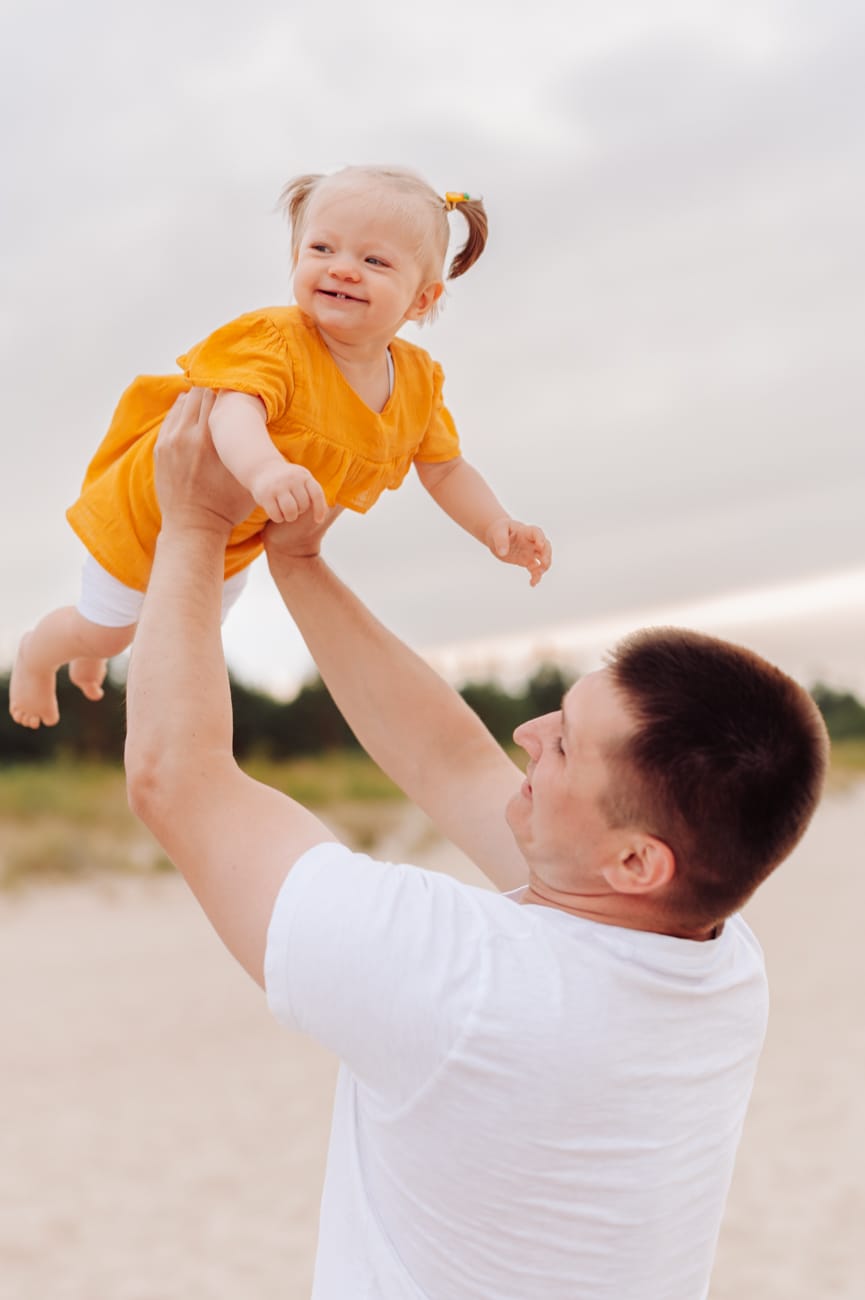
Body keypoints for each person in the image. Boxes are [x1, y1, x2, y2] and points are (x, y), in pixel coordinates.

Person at [125, 391, 828, 1300]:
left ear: (634, 862)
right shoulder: (717, 964)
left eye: (564, 744)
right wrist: (299, 565)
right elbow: (452, 763)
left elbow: (178, 782)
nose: (528, 735)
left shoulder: (466, 986)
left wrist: (191, 526)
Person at [10, 165, 550, 729]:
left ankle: (99, 649)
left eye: (374, 260)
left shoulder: (416, 382)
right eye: (322, 248)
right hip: (148, 517)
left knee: (185, 638)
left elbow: (445, 469)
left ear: (422, 298)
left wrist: (495, 525)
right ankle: (38, 654)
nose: (342, 268)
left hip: (229, 541)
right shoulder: (278, 342)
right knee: (104, 629)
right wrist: (266, 469)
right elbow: (233, 413)